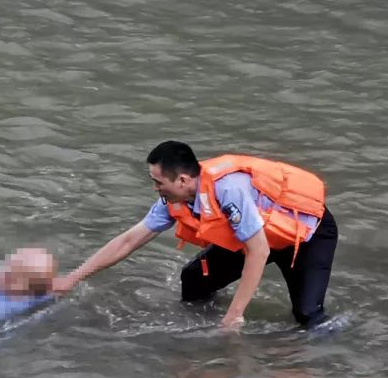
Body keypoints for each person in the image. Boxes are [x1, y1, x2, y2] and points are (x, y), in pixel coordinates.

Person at [54, 141, 338, 329]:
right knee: (193, 280)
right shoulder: (173, 199)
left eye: (158, 182)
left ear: (182, 180)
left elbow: (259, 251)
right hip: (256, 236)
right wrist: (73, 278)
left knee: (307, 315)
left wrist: (234, 315)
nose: (155, 188)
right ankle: (206, 334)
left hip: (306, 236)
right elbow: (129, 240)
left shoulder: (228, 190)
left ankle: (329, 350)